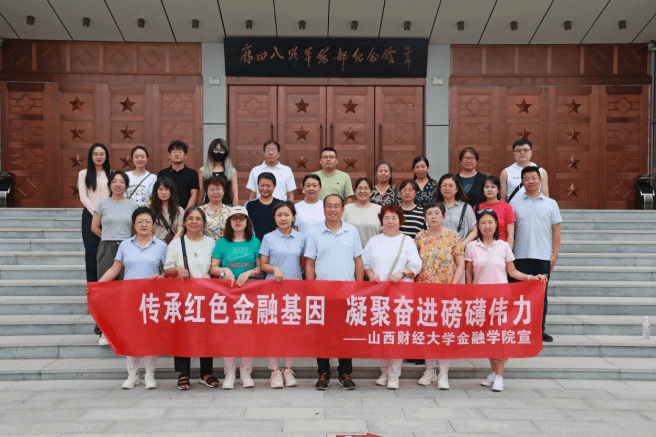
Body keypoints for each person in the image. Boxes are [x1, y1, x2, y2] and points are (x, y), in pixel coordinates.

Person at [465, 209, 547, 392]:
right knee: (488, 337)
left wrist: (531, 278)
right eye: (483, 223)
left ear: (496, 225)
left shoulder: (503, 246)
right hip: (481, 300)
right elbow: (468, 274)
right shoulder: (471, 247)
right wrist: (470, 295)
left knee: (500, 337)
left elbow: (512, 271)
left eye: (490, 223)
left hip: (501, 299)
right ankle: (494, 373)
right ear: (478, 226)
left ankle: (500, 376)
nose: (487, 226)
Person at [96, 207, 167, 390]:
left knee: (150, 336)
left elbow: (167, 271)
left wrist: (161, 277)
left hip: (152, 299)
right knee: (132, 336)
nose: (144, 225)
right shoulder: (125, 245)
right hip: (130, 297)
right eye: (140, 221)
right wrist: (97, 285)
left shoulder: (161, 245)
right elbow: (115, 269)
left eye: (147, 221)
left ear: (153, 224)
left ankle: (149, 375)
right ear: (134, 225)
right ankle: (132, 374)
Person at [306, 194, 364, 390]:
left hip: (347, 294)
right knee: (322, 335)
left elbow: (358, 260)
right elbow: (310, 263)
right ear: (324, 209)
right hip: (322, 294)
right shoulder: (314, 233)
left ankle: (345, 373)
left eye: (336, 206)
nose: (332, 209)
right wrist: (311, 289)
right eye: (329, 206)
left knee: (345, 334)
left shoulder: (351, 231)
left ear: (342, 210)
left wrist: (359, 286)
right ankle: (323, 373)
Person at [364, 205, 422, 390]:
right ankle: (384, 370)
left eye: (394, 218)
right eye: (387, 217)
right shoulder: (374, 241)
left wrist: (402, 273)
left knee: (398, 333)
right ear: (381, 220)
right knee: (382, 332)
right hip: (379, 294)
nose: (390, 221)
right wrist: (370, 274)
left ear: (400, 220)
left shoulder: (407, 241)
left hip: (400, 295)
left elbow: (416, 265)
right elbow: (366, 263)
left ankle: (395, 374)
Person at [162, 207, 219, 390]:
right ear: (184, 222)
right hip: (183, 297)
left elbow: (215, 268)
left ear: (204, 223)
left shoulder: (211, 243)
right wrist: (177, 269)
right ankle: (183, 373)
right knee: (182, 334)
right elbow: (166, 270)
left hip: (206, 296)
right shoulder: (176, 243)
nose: (194, 222)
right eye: (190, 218)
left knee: (206, 334)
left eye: (198, 219)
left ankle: (206, 373)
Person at [209, 206, 261, 389]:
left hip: (249, 295)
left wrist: (250, 272)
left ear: (247, 221)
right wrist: (225, 270)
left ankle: (246, 373)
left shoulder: (255, 242)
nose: (238, 221)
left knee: (247, 335)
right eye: (234, 218)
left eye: (242, 218)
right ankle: (229, 374)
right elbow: (213, 268)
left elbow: (261, 267)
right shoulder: (222, 243)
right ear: (229, 222)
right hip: (227, 295)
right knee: (228, 335)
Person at [415, 201, 464, 390]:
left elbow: (460, 264)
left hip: (447, 292)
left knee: (445, 333)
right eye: (429, 213)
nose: (433, 216)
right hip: (424, 292)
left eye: (437, 213)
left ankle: (444, 372)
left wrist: (453, 287)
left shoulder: (453, 237)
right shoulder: (419, 238)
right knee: (427, 332)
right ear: (425, 218)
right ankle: (429, 370)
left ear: (444, 216)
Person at [510, 166, 562, 343]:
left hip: (542, 256)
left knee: (541, 294)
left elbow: (556, 231)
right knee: (519, 294)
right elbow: (511, 231)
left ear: (540, 180)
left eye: (534, 178)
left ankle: (539, 329)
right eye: (526, 179)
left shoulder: (551, 203)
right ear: (522, 182)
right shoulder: (514, 203)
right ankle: (518, 328)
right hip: (520, 256)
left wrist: (554, 255)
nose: (531, 181)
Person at [259, 202, 306, 388]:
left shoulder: (302, 238)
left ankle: (287, 369)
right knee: (273, 331)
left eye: (287, 214)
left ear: (293, 217)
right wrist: (274, 269)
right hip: (273, 290)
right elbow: (263, 264)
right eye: (279, 215)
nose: (283, 218)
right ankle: (274, 371)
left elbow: (304, 262)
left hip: (294, 290)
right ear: (274, 218)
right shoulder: (268, 238)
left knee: (291, 331)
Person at [91, 171, 138, 345]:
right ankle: (104, 331)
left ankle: (126, 329)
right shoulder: (102, 204)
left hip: (127, 248)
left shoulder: (133, 205)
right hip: (106, 248)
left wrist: (124, 241)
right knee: (106, 289)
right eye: (115, 181)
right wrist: (108, 238)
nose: (118, 184)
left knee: (126, 289)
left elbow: (134, 228)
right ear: (109, 184)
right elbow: (94, 227)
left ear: (126, 185)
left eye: (122, 182)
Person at [78, 143, 111, 284]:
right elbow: (83, 197)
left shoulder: (112, 174)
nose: (99, 157)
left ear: (106, 156)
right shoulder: (83, 173)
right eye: (95, 154)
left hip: (109, 217)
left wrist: (105, 214)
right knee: (91, 251)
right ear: (91, 156)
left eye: (102, 154)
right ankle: (92, 286)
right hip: (89, 216)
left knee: (108, 252)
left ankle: (106, 285)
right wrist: (97, 213)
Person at [434, 173, 477, 247]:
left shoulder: (466, 208)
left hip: (460, 249)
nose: (447, 188)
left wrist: (462, 245)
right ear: (440, 188)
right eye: (444, 185)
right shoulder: (434, 208)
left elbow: (474, 231)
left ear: (456, 189)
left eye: (451, 185)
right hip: (439, 249)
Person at [157, 140, 199, 210]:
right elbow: (159, 193)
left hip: (186, 212)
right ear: (169, 155)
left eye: (180, 152)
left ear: (185, 156)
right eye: (174, 152)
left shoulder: (192, 173)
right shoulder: (162, 173)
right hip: (166, 211)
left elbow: (194, 194)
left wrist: (186, 213)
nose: (177, 154)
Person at [476, 176, 515, 247]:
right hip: (481, 248)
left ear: (498, 190)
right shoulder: (476, 208)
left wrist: (508, 251)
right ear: (483, 190)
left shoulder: (507, 207)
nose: (489, 190)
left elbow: (510, 234)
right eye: (486, 187)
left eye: (493, 187)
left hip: (501, 248)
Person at [198, 138, 239, 206]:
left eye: (222, 150)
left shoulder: (232, 171)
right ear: (211, 151)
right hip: (208, 207)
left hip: (227, 207)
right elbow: (201, 194)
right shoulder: (203, 171)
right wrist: (198, 209)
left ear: (226, 152)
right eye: (215, 150)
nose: (218, 152)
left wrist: (235, 210)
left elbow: (235, 195)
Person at [343, 178, 382, 248]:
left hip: (374, 250)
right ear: (355, 191)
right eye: (360, 188)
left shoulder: (379, 209)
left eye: (366, 188)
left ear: (371, 192)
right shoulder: (347, 208)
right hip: (350, 250)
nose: (362, 191)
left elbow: (384, 232)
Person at [246, 172, 283, 240]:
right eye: (262, 185)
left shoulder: (281, 205)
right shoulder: (250, 205)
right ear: (258, 185)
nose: (265, 188)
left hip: (277, 243)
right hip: (257, 243)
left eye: (268, 186)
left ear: (274, 186)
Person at [150, 177, 184, 244]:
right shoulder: (150, 210)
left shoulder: (179, 210)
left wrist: (172, 245)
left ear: (171, 191)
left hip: (173, 243)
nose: (163, 192)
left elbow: (180, 230)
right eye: (160, 189)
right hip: (155, 244)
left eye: (167, 189)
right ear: (156, 191)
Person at [200, 175, 230, 240]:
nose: (215, 192)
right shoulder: (200, 211)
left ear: (223, 191)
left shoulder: (230, 211)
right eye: (212, 189)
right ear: (206, 192)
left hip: (225, 244)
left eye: (218, 189)